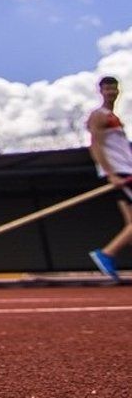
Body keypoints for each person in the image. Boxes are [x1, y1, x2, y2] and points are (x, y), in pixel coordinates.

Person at [87, 75, 132, 280]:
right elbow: (95, 145)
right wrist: (112, 174)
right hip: (120, 173)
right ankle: (106, 253)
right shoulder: (99, 115)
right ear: (101, 91)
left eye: (114, 89)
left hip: (127, 171)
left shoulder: (115, 119)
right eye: (107, 89)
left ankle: (107, 255)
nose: (111, 92)